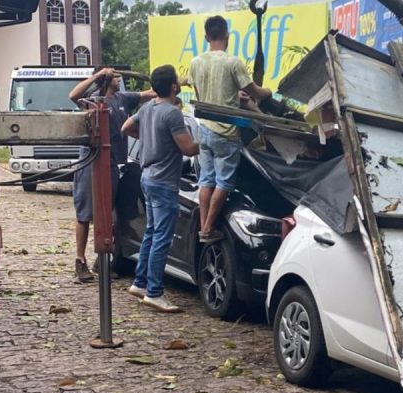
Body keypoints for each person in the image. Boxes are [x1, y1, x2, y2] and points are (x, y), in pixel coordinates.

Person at [186, 15, 273, 243]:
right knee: (223, 182)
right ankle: (207, 229)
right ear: (227, 35)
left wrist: (235, 95)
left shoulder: (195, 63)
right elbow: (254, 91)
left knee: (206, 179)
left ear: (206, 37)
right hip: (226, 131)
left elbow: (201, 96)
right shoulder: (233, 62)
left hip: (203, 129)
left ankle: (204, 227)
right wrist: (268, 93)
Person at [121, 65, 199, 313]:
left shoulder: (149, 108)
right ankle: (155, 292)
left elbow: (126, 128)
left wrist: (150, 138)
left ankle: (140, 282)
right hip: (164, 181)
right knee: (162, 238)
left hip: (148, 177)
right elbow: (188, 149)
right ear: (174, 86)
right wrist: (208, 142)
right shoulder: (171, 114)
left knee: (152, 233)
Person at [69, 67, 155, 282]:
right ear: (106, 78)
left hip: (113, 164)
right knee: (85, 214)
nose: (120, 79)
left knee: (110, 214)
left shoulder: (123, 98)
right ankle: (80, 260)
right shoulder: (92, 98)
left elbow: (150, 93)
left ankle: (103, 257)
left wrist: (177, 83)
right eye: (116, 76)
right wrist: (97, 76)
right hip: (90, 162)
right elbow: (73, 95)